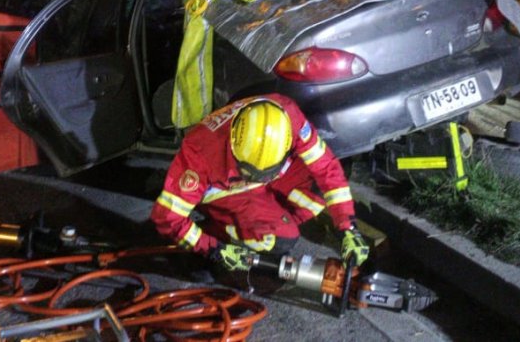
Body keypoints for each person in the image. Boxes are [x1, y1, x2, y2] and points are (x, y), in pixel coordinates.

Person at [151, 95, 369, 275]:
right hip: (229, 191)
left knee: (318, 189)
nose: (261, 178)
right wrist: (213, 248)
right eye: (252, 172)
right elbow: (167, 217)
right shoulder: (200, 152)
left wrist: (348, 228)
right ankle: (223, 230)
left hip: (274, 174)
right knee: (279, 240)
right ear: (234, 145)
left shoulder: (286, 116)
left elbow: (326, 168)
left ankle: (270, 217)